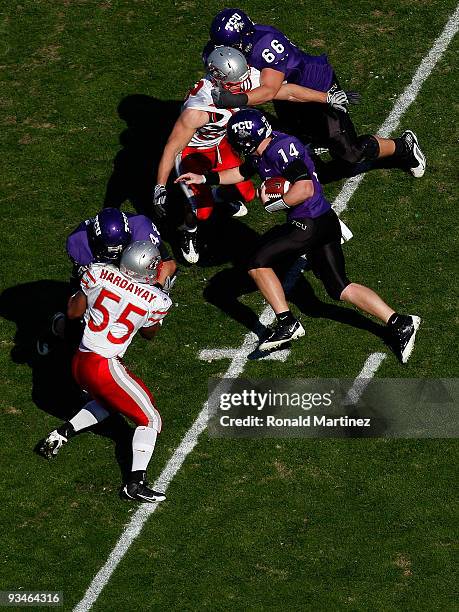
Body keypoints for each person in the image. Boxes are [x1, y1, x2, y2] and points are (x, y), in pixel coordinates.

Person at [176, 109, 420, 362]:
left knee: (256, 263)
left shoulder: (280, 149)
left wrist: (277, 202)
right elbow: (240, 173)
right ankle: (400, 322)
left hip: (309, 223)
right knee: (340, 288)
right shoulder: (263, 149)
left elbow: (305, 189)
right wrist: (205, 178)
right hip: (323, 221)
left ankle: (286, 323)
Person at [153, 46, 346, 263]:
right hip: (194, 149)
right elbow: (172, 147)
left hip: (223, 142)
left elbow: (287, 92)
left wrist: (326, 97)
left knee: (247, 193)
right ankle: (188, 230)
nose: (242, 86)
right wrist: (160, 186)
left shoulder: (242, 77)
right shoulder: (198, 110)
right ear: (218, 80)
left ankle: (218, 197)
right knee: (201, 210)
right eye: (236, 83)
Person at [204, 8, 426, 177]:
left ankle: (403, 147)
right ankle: (316, 138)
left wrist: (236, 99)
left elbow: (271, 90)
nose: (224, 52)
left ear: (242, 41)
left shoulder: (265, 45)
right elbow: (282, 92)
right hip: (289, 93)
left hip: (317, 87)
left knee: (351, 153)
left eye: (228, 46)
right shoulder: (245, 43)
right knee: (297, 133)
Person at [39, 240, 172, 502]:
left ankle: (61, 434)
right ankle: (135, 484)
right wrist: (155, 291)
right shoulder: (157, 300)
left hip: (81, 360)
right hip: (104, 365)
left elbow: (73, 311)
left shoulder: (98, 273)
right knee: (150, 419)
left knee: (109, 401)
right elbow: (149, 334)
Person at [37, 207, 176, 355]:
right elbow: (85, 286)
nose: (115, 254)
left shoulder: (141, 228)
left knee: (153, 280)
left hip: (133, 271)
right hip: (98, 274)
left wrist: (157, 290)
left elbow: (168, 265)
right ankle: (58, 326)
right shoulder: (79, 242)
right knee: (78, 325)